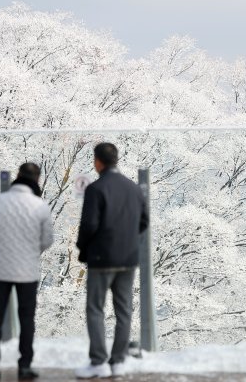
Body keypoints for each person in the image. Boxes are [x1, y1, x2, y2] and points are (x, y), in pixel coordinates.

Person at [74, 143, 149, 379]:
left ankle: (98, 362)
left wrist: (82, 248)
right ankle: (118, 361)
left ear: (98, 161)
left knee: (95, 309)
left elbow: (89, 225)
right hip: (128, 258)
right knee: (124, 310)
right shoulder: (134, 188)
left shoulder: (96, 189)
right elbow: (144, 221)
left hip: (101, 258)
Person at [0, 163, 55, 381]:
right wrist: (32, 250)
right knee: (27, 318)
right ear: (37, 180)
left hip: (0, 270)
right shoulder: (40, 206)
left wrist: (0, 243)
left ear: (18, 176)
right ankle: (25, 365)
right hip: (27, 271)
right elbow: (47, 240)